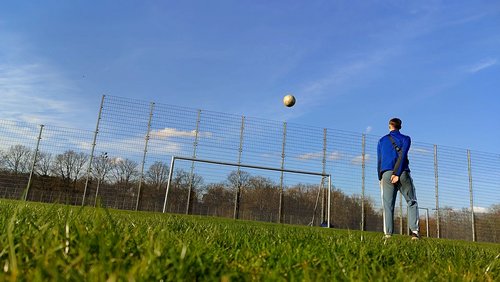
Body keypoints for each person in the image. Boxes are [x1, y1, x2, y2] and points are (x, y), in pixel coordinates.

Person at [377, 118, 420, 239]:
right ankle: (414, 233)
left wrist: (380, 177)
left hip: (386, 173)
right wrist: (397, 173)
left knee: (387, 205)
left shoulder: (382, 140)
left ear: (389, 126)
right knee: (411, 201)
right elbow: (403, 154)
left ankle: (388, 235)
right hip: (402, 172)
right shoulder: (406, 138)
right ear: (400, 126)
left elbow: (379, 160)